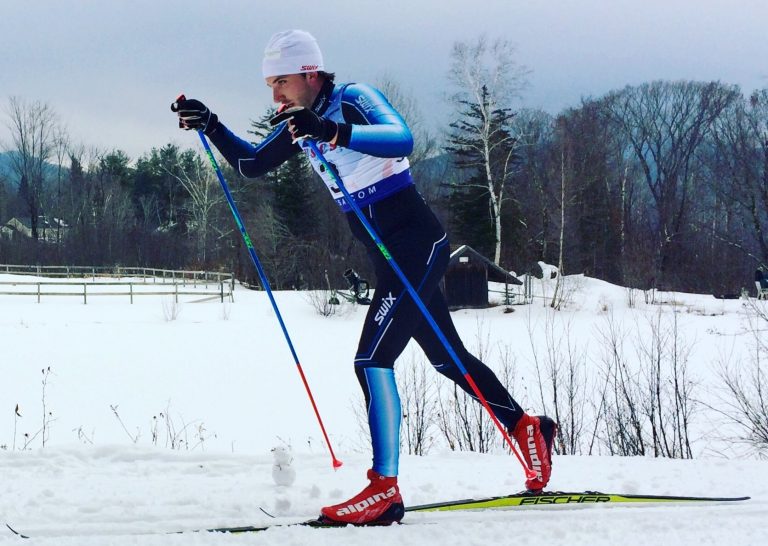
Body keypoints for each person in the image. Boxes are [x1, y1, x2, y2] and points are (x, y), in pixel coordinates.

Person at [172, 29, 556, 526]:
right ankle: (527, 427)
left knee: (371, 361)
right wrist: (213, 124)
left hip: (418, 247)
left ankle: (384, 490)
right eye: (270, 85)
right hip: (391, 259)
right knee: (448, 359)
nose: (275, 95)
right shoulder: (299, 121)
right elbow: (251, 164)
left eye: (282, 82)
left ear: (310, 73)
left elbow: (402, 138)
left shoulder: (354, 99)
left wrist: (331, 132)